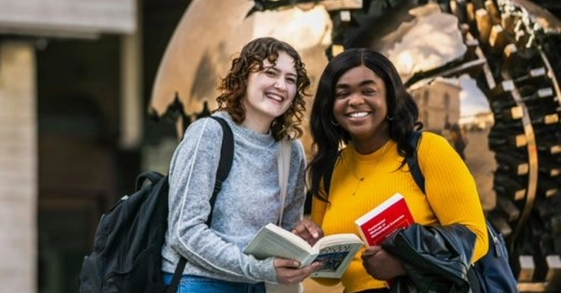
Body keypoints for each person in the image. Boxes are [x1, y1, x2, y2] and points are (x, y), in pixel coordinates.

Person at [304, 48, 488, 292]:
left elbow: (476, 238)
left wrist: (404, 263)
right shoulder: (328, 171)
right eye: (342, 93)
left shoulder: (428, 151)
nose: (355, 100)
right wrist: (312, 250)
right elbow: (330, 278)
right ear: (330, 106)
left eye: (368, 91)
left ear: (390, 99)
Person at [161, 37, 325, 292]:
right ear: (243, 78)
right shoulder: (209, 134)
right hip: (198, 283)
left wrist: (300, 239)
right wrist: (256, 269)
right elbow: (185, 232)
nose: (281, 85)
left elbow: (282, 236)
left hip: (258, 285)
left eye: (290, 79)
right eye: (271, 72)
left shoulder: (291, 152)